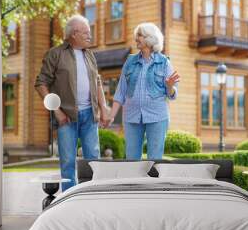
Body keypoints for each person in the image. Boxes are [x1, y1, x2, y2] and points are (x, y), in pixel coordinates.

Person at [35, 15, 110, 191]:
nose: (89, 36)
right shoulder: (55, 54)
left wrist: (103, 108)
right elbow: (41, 84)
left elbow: (97, 82)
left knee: (93, 160)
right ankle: (69, 199)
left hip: (89, 116)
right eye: (86, 33)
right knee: (68, 162)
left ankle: (92, 194)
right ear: (74, 34)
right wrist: (57, 111)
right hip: (66, 117)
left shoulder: (90, 54)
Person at [108, 22, 180, 160]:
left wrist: (170, 86)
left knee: (154, 159)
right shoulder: (130, 61)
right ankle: (134, 182)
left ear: (150, 38)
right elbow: (121, 91)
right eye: (137, 35)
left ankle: (153, 182)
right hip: (132, 116)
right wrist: (111, 115)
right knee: (132, 159)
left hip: (157, 116)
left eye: (140, 35)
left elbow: (172, 95)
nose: (136, 38)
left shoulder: (164, 62)